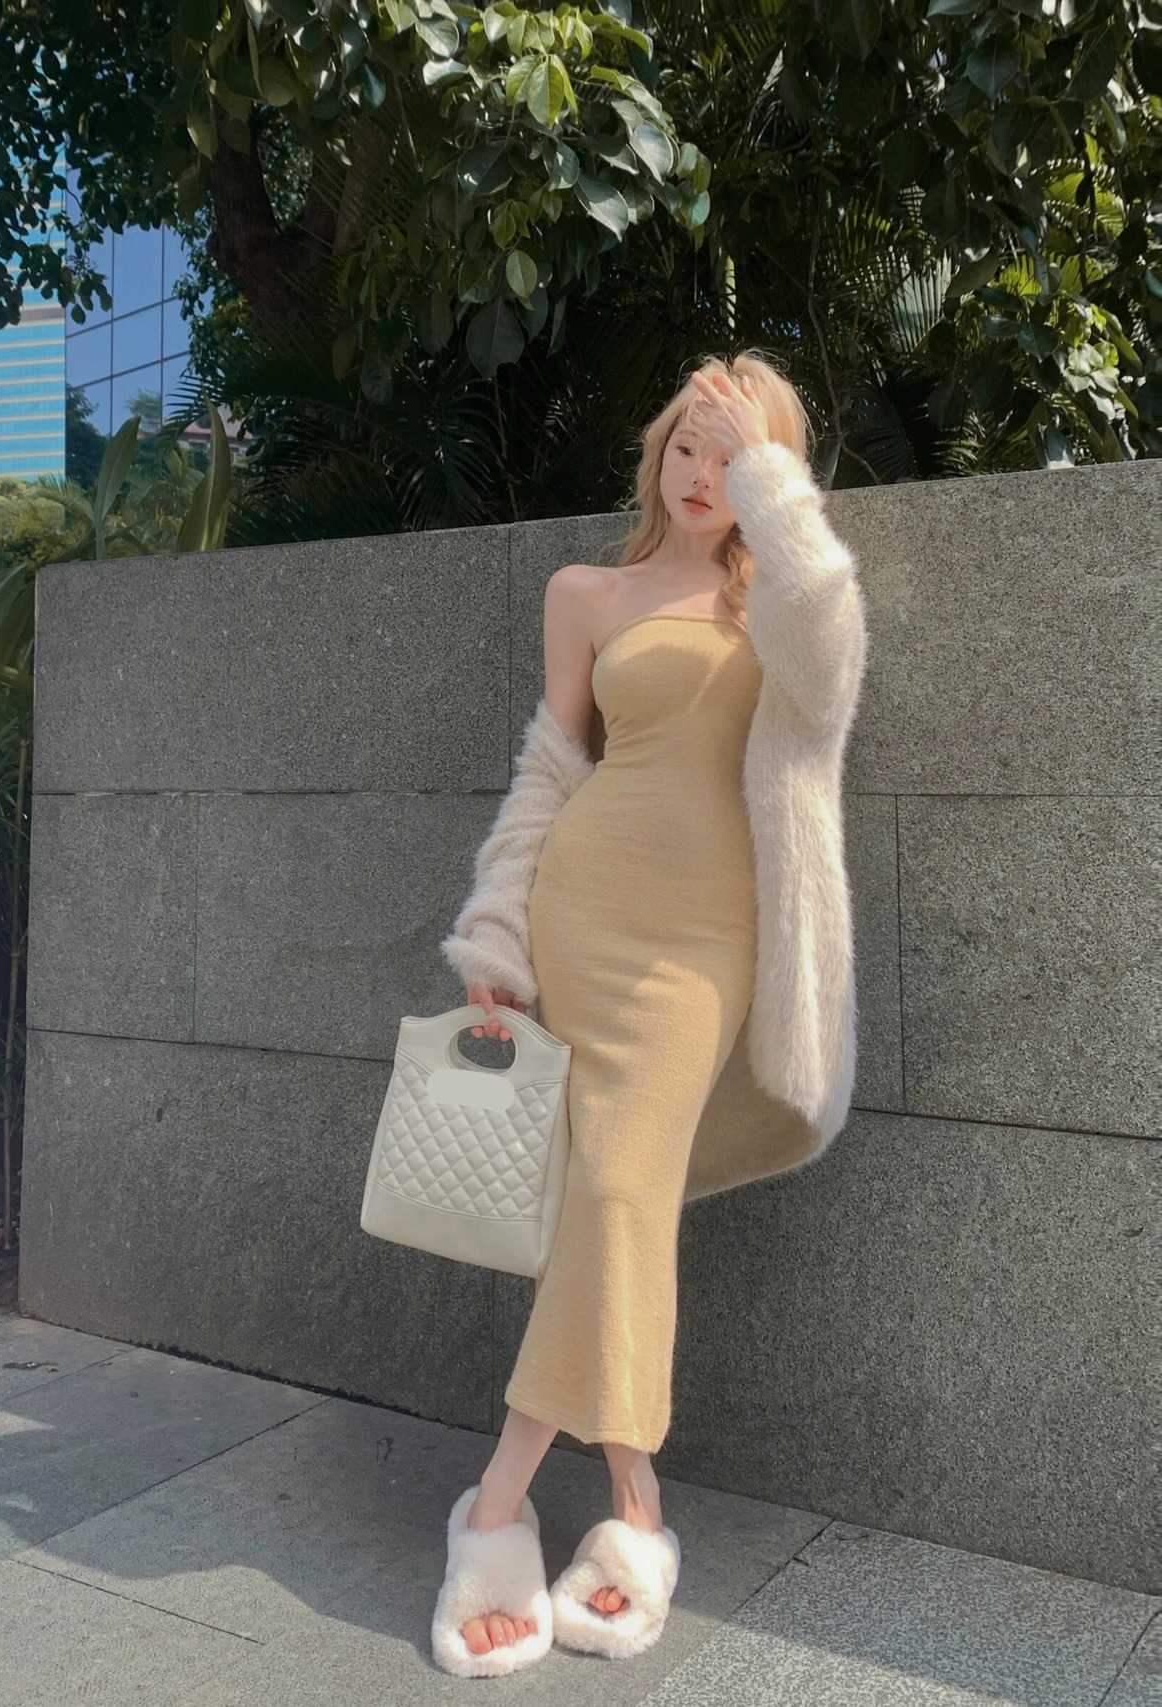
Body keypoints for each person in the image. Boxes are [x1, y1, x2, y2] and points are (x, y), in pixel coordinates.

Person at [432, 350, 868, 1674]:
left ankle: (496, 1505)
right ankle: (631, 1514)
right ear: (657, 453)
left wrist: (770, 484)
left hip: (709, 940)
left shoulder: (779, 600)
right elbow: (549, 774)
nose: (700, 472)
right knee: (612, 1202)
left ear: (768, 476)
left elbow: (831, 666)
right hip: (588, 909)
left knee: (618, 1188)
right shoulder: (587, 594)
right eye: (687, 442)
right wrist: (498, 930)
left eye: (731, 453)